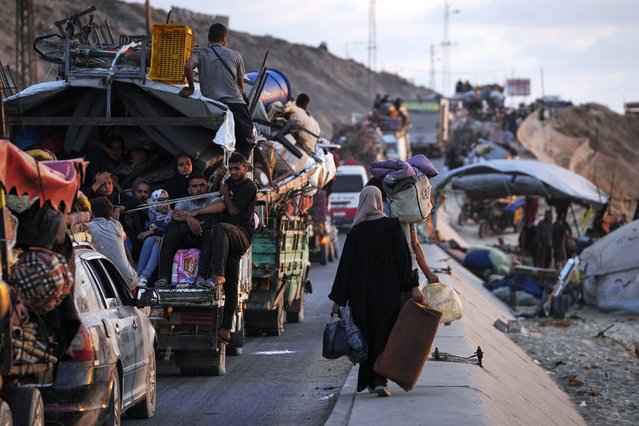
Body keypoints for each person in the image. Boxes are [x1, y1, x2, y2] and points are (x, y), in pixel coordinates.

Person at [329, 186, 423, 398]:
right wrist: (413, 285)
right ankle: (380, 380)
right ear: (380, 202)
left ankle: (371, 380)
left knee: (366, 336)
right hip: (387, 294)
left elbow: (345, 267)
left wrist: (338, 300)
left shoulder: (356, 232)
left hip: (361, 296)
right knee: (384, 334)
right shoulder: (392, 226)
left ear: (362, 202)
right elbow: (404, 260)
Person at [196, 152, 257, 344]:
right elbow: (214, 193)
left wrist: (225, 194)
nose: (234, 172)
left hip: (241, 234)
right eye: (231, 169)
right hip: (227, 237)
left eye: (237, 168)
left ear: (245, 168)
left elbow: (232, 211)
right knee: (232, 285)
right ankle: (226, 328)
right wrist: (220, 178)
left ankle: (217, 274)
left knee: (220, 227)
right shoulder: (228, 181)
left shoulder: (249, 187)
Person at [179, 23, 255, 159]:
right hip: (236, 104)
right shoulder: (235, 56)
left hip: (212, 103)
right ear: (224, 38)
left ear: (209, 38)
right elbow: (240, 84)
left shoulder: (200, 53)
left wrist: (191, 88)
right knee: (247, 139)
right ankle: (242, 166)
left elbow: (188, 67)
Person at [153, 174, 225, 287]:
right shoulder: (185, 201)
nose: (199, 189)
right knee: (170, 235)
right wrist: (188, 218)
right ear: (189, 190)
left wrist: (195, 213)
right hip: (185, 237)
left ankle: (202, 277)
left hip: (202, 237)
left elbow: (221, 206)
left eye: (202, 185)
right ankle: (163, 277)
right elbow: (176, 214)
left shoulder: (211, 198)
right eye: (195, 186)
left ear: (207, 187)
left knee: (210, 235)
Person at [87, 197, 138, 290]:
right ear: (110, 214)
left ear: (91, 213)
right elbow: (123, 236)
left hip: (109, 284)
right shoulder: (117, 225)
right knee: (120, 241)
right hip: (131, 279)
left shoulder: (88, 228)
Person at [136, 190, 173, 285]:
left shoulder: (173, 215)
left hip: (172, 243)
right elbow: (142, 235)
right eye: (161, 200)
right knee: (150, 240)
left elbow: (170, 229)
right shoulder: (152, 216)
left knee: (158, 243)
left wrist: (153, 232)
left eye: (167, 200)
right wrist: (154, 233)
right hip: (158, 240)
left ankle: (145, 276)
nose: (166, 203)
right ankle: (137, 275)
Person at [121, 177, 151, 259]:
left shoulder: (153, 207)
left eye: (146, 192)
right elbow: (134, 201)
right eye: (139, 191)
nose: (143, 194)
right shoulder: (130, 203)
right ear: (134, 192)